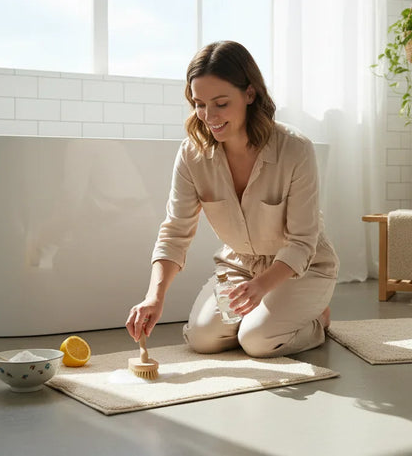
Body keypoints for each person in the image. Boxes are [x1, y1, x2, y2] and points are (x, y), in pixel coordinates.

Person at [125, 41, 339, 358]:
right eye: (199, 104)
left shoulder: (295, 149)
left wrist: (263, 287)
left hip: (301, 269)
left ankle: (317, 320)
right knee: (202, 339)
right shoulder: (192, 154)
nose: (208, 116)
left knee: (258, 340)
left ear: (249, 95)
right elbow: (175, 231)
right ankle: (265, 318)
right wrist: (154, 298)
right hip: (238, 268)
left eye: (221, 103)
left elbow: (302, 242)